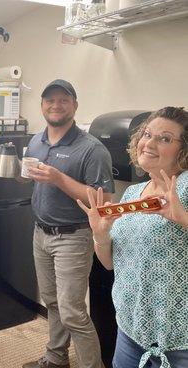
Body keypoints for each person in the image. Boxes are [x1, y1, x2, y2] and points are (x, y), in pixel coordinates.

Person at [78, 106, 188, 368]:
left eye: (164, 138)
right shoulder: (132, 194)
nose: (149, 143)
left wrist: (183, 219)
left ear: (183, 150)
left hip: (179, 339)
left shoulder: (185, 186)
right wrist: (100, 235)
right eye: (147, 134)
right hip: (130, 329)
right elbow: (109, 263)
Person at [22, 79, 115, 368]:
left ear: (74, 105)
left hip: (73, 236)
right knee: (52, 302)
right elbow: (35, 184)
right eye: (50, 100)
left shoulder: (92, 149)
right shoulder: (36, 140)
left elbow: (104, 201)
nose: (56, 105)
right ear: (42, 106)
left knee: (72, 311)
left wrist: (58, 179)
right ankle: (56, 358)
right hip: (41, 232)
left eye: (63, 100)